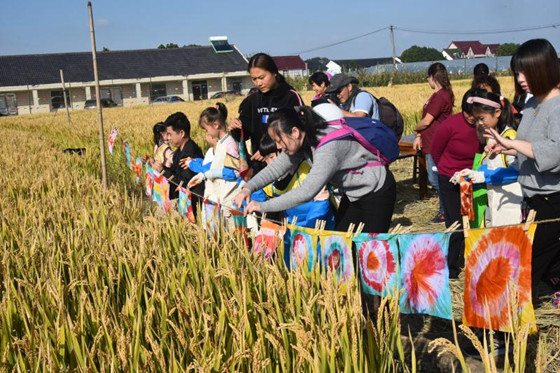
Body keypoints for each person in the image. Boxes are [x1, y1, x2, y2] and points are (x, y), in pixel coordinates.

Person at [233, 103, 395, 235]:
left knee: (371, 250)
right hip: (353, 195)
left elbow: (307, 191)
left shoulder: (328, 149)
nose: (277, 146)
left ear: (294, 132)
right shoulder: (305, 139)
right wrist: (248, 188)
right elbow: (277, 168)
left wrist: (262, 206)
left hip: (377, 192)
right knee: (343, 244)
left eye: (279, 140)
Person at [485, 38, 560, 298]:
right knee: (539, 261)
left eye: (525, 71)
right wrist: (507, 148)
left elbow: (554, 152)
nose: (520, 78)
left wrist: (512, 142)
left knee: (525, 266)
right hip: (532, 197)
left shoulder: (558, 105)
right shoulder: (530, 104)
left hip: (553, 198)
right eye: (517, 72)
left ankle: (508, 327)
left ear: (544, 68)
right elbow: (530, 145)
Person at [450, 90, 522, 227]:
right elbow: (487, 168)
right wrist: (468, 176)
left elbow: (517, 172)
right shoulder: (491, 138)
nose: (479, 123)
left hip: (508, 204)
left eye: (481, 118)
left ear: (497, 113)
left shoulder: (509, 137)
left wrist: (483, 176)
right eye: (476, 120)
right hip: (493, 203)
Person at [430, 89, 482, 278]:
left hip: (469, 178)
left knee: (468, 217)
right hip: (449, 178)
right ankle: (450, 265)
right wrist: (448, 170)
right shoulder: (450, 125)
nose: (470, 119)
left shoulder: (481, 126)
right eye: (467, 114)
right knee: (455, 223)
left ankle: (467, 256)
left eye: (474, 115)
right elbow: (436, 151)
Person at [229, 53, 304, 163]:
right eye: (254, 79)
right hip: (260, 165)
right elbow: (243, 135)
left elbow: (300, 130)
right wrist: (236, 128)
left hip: (287, 162)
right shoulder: (251, 101)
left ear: (274, 72)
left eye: (261, 77)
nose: (258, 83)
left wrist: (268, 149)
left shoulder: (290, 97)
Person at [413, 62, 455, 224]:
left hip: (438, 143)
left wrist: (417, 129)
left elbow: (426, 121)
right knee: (435, 178)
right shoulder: (438, 95)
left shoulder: (440, 96)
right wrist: (419, 135)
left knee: (436, 179)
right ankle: (446, 209)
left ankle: (446, 210)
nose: (428, 81)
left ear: (432, 78)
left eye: (428, 78)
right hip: (431, 142)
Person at [185, 103, 241, 211]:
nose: (207, 133)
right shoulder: (221, 143)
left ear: (216, 125)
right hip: (220, 197)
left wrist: (214, 173)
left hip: (229, 198)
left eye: (206, 129)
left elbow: (235, 172)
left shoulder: (230, 144)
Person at [148, 112, 204, 201]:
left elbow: (185, 182)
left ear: (181, 133)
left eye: (170, 134)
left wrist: (163, 170)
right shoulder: (179, 151)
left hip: (193, 203)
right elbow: (175, 173)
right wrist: (157, 166)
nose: (168, 138)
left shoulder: (190, 153)